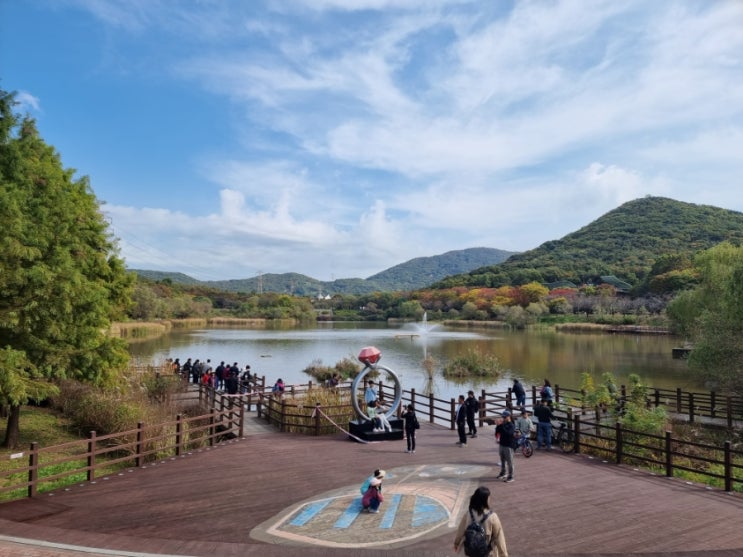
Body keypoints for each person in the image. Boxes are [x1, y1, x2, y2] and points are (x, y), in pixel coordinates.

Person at [453, 486, 508, 556]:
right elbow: (499, 537)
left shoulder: (468, 513)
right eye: (489, 497)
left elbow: (461, 530)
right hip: (486, 553)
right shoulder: (492, 517)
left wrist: (456, 543)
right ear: (485, 500)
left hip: (470, 552)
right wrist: (503, 554)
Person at [495, 410, 516, 482]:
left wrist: (502, 425)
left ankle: (511, 476)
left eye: (504, 417)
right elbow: (497, 432)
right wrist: (498, 425)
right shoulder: (503, 424)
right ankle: (503, 473)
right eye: (503, 417)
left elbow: (508, 433)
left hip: (508, 446)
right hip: (502, 444)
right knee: (502, 460)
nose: (503, 418)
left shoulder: (511, 425)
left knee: (510, 462)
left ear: (508, 417)